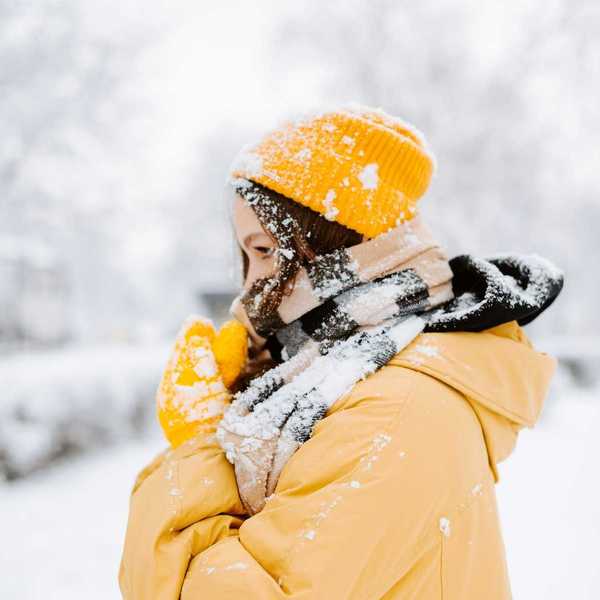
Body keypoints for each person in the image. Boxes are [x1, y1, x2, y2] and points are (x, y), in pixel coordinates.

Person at [118, 104, 563, 599]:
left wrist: (198, 447)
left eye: (264, 251)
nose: (249, 286)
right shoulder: (341, 378)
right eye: (244, 257)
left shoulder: (395, 410)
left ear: (342, 242)